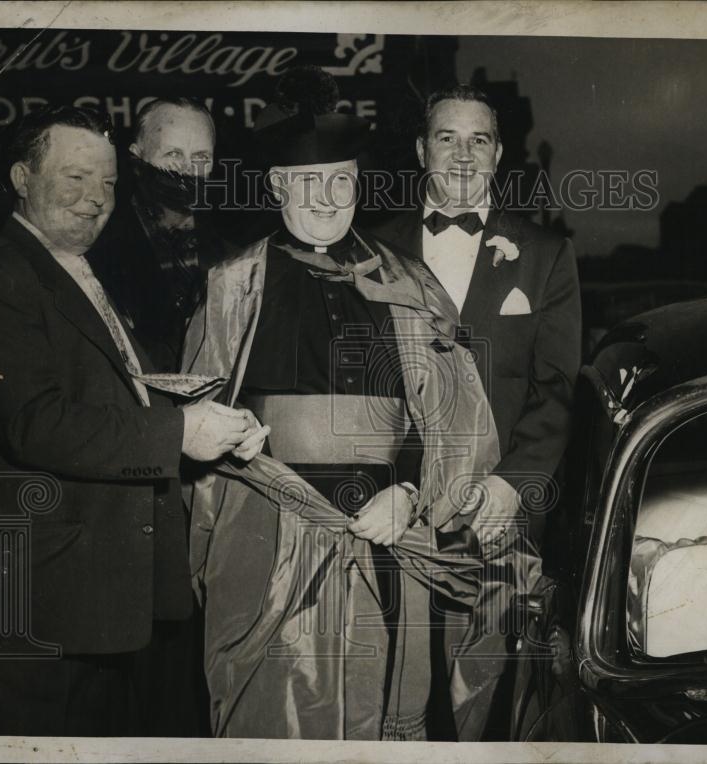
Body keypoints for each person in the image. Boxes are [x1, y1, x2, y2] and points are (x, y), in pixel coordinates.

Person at [181, 67, 505, 740]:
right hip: (270, 541)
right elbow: (195, 433)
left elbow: (452, 417)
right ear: (276, 187)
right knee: (275, 718)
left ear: (359, 184)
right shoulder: (232, 286)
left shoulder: (409, 285)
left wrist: (410, 494)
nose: (326, 198)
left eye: (340, 180)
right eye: (307, 182)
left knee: (384, 710)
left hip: (387, 532)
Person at [0, 105, 266, 736]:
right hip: (38, 600)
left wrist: (215, 423)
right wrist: (181, 434)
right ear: (20, 178)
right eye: (74, 179)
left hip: (93, 597)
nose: (95, 200)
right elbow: (35, 423)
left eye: (109, 183)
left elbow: (125, 391)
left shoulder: (75, 267)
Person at [372, 84, 583, 740]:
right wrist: (394, 485)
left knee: (496, 713)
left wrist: (510, 483)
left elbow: (557, 389)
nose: (463, 157)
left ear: (498, 157)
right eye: (446, 138)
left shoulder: (545, 255)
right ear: (419, 150)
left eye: (479, 140)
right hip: (399, 515)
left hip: (501, 524)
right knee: (400, 704)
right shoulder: (371, 250)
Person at [88, 97, 227, 372]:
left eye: (201, 157)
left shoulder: (230, 254)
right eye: (173, 154)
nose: (187, 169)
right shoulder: (96, 250)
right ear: (136, 158)